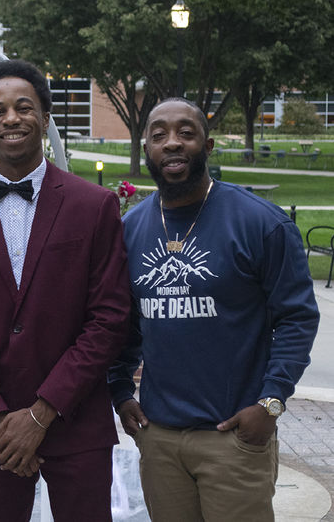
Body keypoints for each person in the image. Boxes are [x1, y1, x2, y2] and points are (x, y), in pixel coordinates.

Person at [0, 59, 131, 521]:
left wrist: (41, 414)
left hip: (76, 424)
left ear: (45, 116)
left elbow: (109, 318)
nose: (11, 118)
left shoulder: (94, 207)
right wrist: (0, 421)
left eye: (24, 107)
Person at [108, 97, 320, 521]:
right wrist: (119, 390)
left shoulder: (261, 223)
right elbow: (124, 323)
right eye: (159, 135)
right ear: (146, 149)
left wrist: (271, 403)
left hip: (234, 437)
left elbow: (297, 318)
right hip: (160, 438)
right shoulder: (130, 229)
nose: (172, 143)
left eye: (186, 133)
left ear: (206, 146)